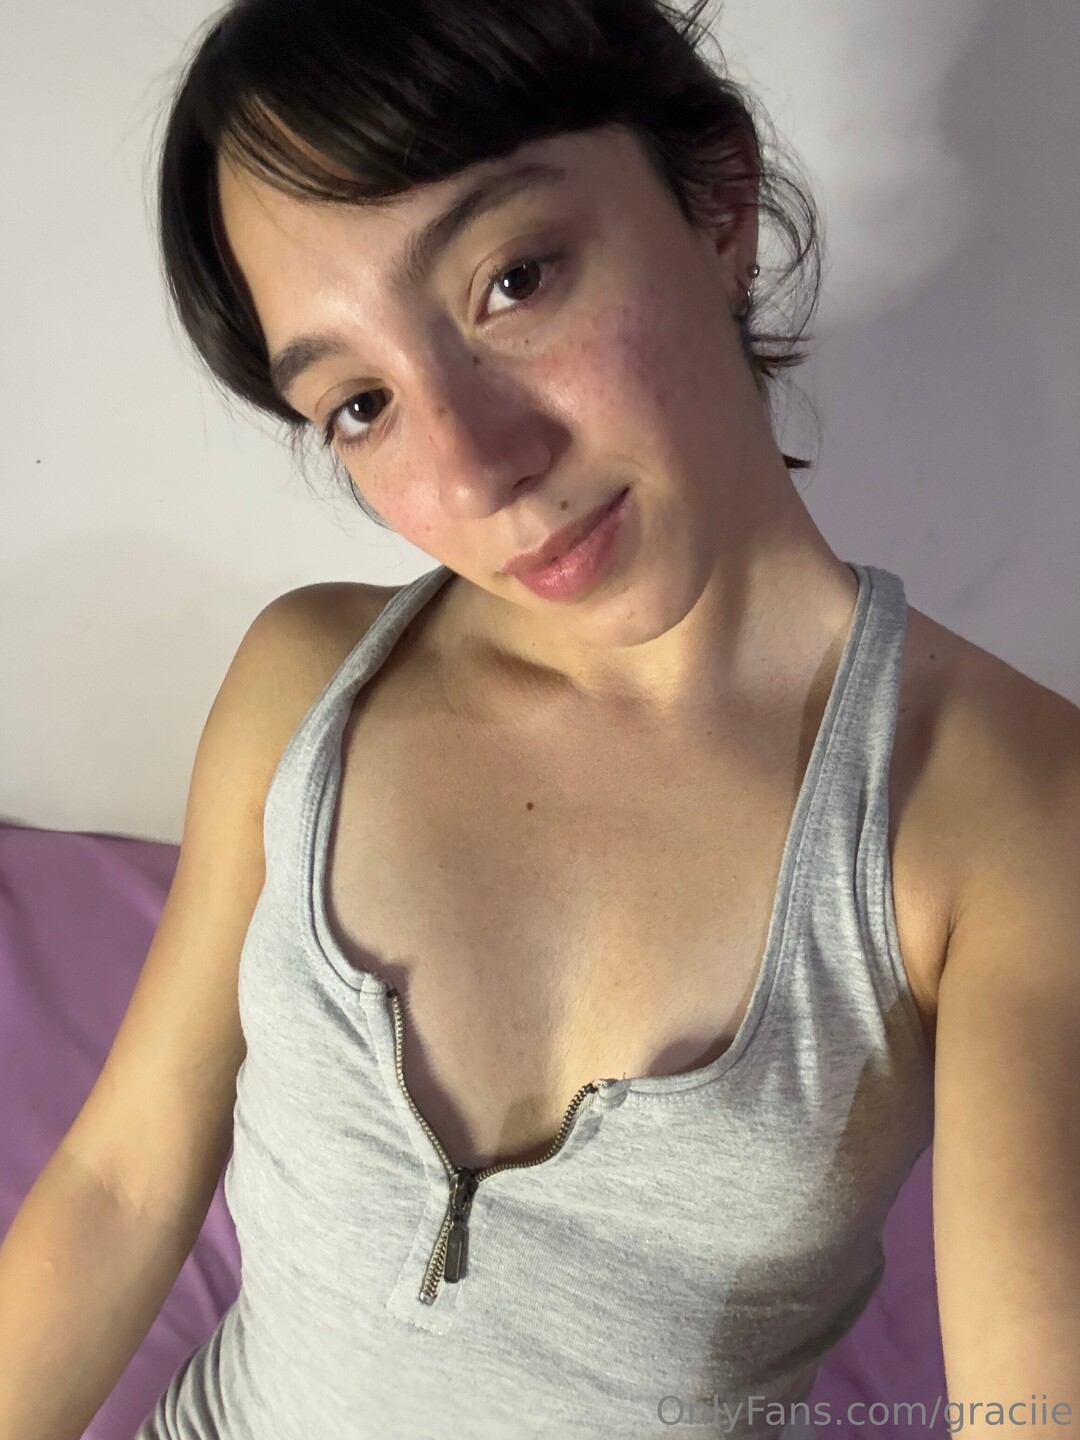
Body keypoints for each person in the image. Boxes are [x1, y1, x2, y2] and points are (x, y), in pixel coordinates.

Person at [1, 2, 1077, 1438]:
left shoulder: (1003, 807)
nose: (474, 470)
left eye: (512, 280)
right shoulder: (306, 682)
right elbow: (121, 1182)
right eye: (361, 402)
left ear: (716, 206)